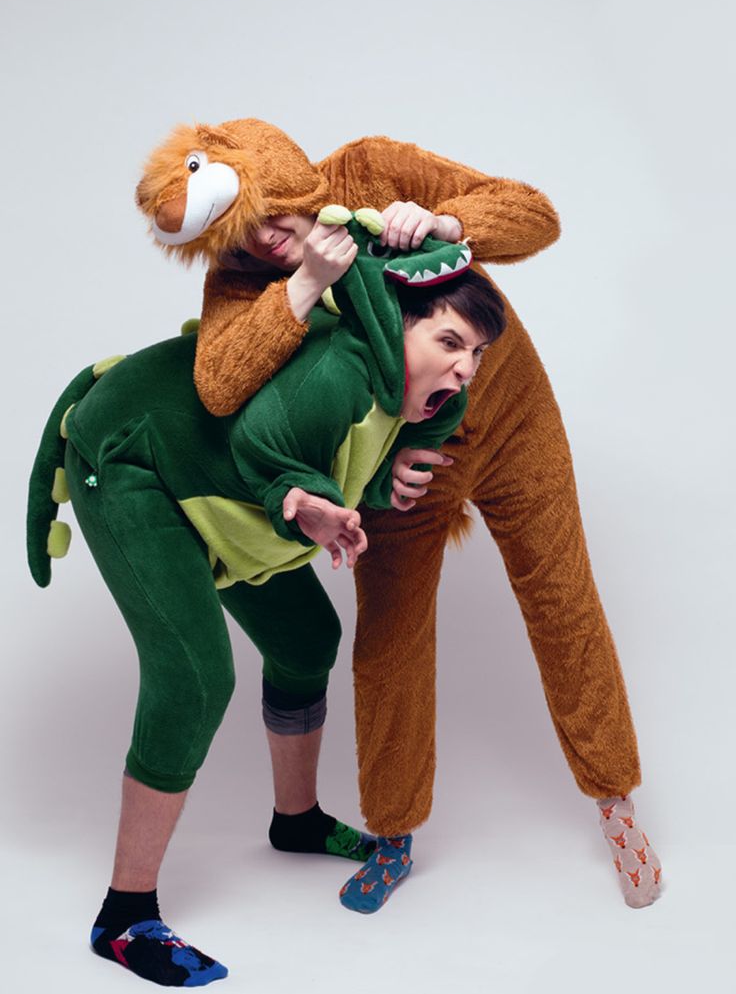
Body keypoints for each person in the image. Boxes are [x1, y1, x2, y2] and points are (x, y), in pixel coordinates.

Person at [134, 118, 662, 915]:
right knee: (391, 638)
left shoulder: (370, 169)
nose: (263, 241)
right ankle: (394, 833)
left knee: (563, 599)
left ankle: (616, 802)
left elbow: (534, 213)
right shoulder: (244, 278)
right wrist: (302, 288)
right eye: (239, 238)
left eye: (269, 216)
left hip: (516, 415)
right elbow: (218, 388)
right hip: (410, 472)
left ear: (279, 177)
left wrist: (453, 223)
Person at [27, 214, 506, 986]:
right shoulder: (347, 370)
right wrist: (309, 502)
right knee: (192, 676)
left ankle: (296, 820)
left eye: (476, 353)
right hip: (130, 454)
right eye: (448, 343)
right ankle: (123, 917)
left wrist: (373, 483)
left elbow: (335, 449)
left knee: (306, 640)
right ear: (397, 326)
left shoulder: (406, 395)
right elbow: (260, 445)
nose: (464, 369)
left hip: (219, 473)